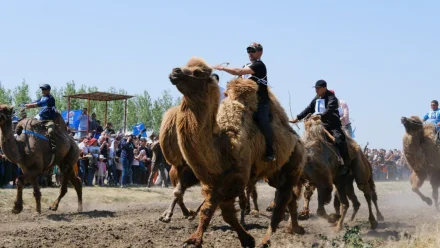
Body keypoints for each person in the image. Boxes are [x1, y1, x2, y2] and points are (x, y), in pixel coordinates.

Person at [213, 42, 275, 161]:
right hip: (246, 103)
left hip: (260, 103)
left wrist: (222, 68)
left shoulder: (259, 65)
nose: (250, 53)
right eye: (249, 51)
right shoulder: (246, 66)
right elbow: (238, 80)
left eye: (253, 51)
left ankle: (270, 151)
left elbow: (238, 71)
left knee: (263, 122)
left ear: (260, 52)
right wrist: (229, 90)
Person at [290, 80, 350, 171]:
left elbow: (329, 109)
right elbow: (309, 108)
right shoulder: (316, 97)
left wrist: (320, 116)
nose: (316, 90)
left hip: (331, 124)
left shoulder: (332, 98)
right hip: (317, 124)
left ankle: (345, 163)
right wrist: (297, 118)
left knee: (339, 139)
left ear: (324, 88)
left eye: (318, 88)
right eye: (316, 88)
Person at [25, 84, 58, 153]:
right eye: (42, 89)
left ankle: (54, 146)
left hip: (49, 120)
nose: (42, 91)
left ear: (48, 90)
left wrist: (31, 106)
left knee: (51, 131)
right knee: (29, 125)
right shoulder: (42, 97)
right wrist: (26, 105)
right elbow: (35, 102)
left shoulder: (50, 98)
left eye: (44, 89)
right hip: (40, 119)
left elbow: (41, 103)